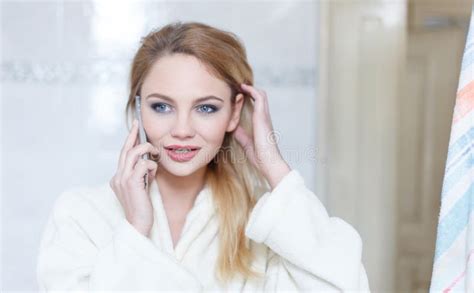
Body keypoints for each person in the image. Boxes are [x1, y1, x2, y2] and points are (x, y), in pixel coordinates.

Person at [36, 21, 370, 291]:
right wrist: (135, 230)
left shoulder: (264, 225)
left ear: (234, 113)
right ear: (139, 107)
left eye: (206, 107)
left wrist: (276, 170)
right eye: (162, 106)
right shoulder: (81, 215)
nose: (182, 129)